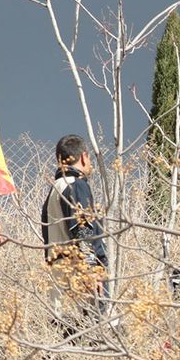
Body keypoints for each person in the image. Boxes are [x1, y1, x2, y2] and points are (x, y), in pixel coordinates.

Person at [40, 134, 110, 335]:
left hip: (58, 272)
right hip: (77, 272)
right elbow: (83, 229)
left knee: (64, 335)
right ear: (84, 156)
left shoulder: (55, 189)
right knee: (90, 335)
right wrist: (91, 270)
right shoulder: (76, 185)